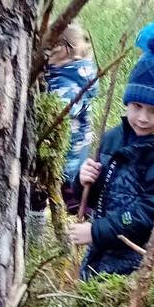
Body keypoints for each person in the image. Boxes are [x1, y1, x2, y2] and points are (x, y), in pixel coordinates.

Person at [66, 8, 154, 278]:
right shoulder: (114, 138)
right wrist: (83, 181)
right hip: (106, 253)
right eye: (137, 106)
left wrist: (96, 232)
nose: (142, 118)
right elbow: (98, 196)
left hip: (145, 259)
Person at [45, 22, 98, 192]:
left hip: (66, 166)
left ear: (61, 49)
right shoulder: (74, 77)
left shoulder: (66, 83)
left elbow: (56, 116)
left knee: (60, 195)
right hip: (71, 161)